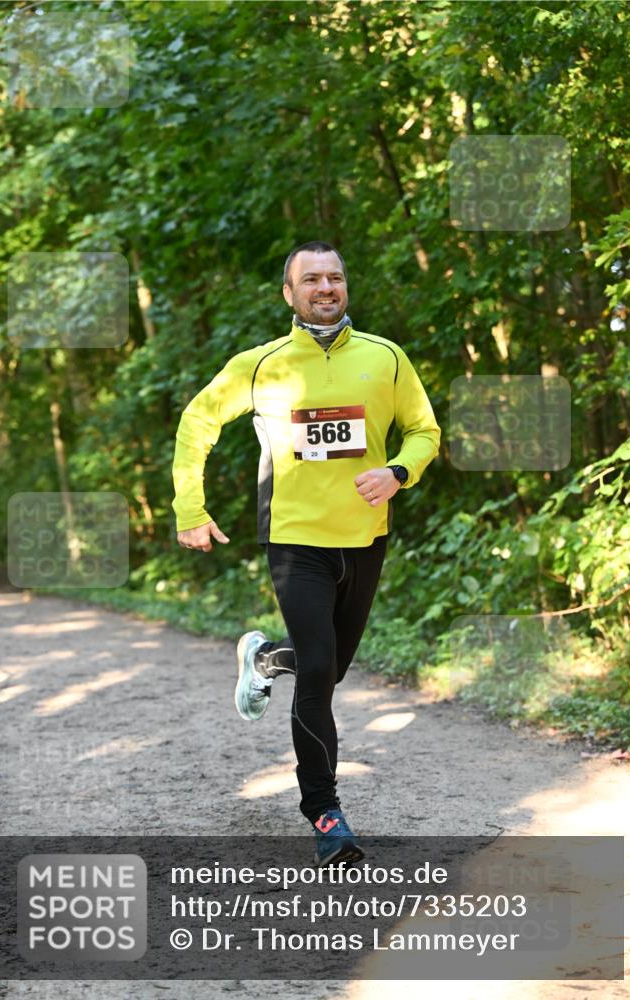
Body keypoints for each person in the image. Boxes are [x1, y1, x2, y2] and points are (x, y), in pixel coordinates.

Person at [172, 241, 440, 866]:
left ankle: (264, 659)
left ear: (346, 287)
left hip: (366, 537)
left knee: (332, 667)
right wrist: (191, 506)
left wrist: (398, 472)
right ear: (288, 293)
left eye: (335, 277)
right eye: (311, 279)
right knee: (318, 673)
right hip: (295, 539)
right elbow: (197, 422)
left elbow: (425, 430)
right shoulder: (261, 364)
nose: (326, 287)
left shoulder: (386, 358)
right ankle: (326, 813)